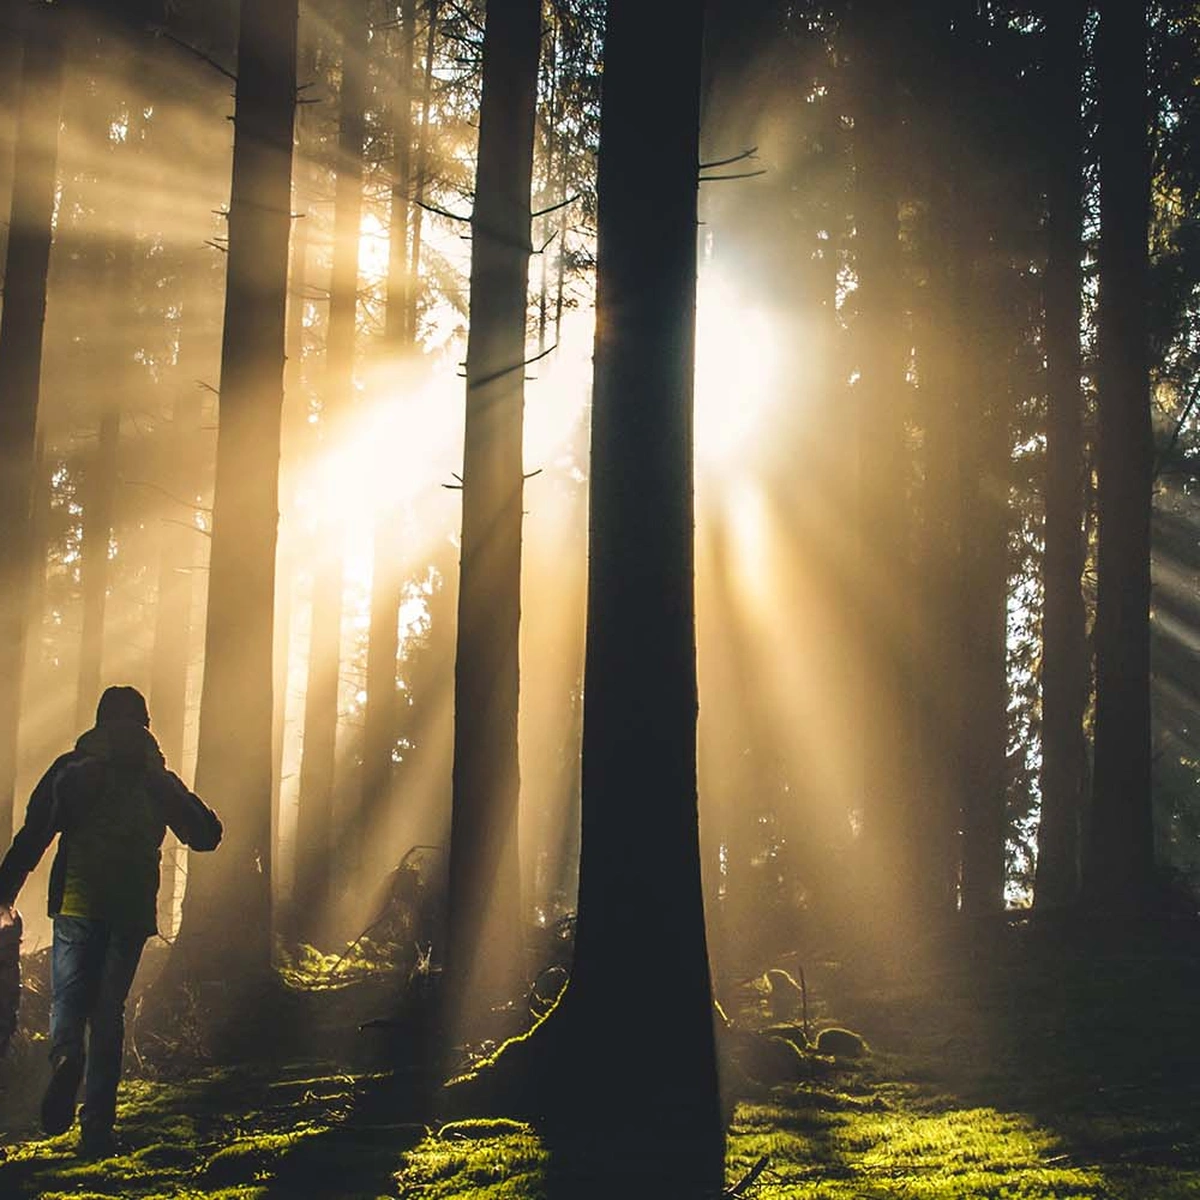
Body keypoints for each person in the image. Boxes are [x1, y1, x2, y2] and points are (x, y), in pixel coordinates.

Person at [0, 685, 221, 1158]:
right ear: (145, 723)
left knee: (69, 1002)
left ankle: (65, 1058)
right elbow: (206, 836)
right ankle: (97, 1127)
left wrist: (3, 894)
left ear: (99, 721)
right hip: (130, 909)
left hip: (77, 902)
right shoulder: (155, 777)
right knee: (108, 1012)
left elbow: (34, 833)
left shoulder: (72, 769)